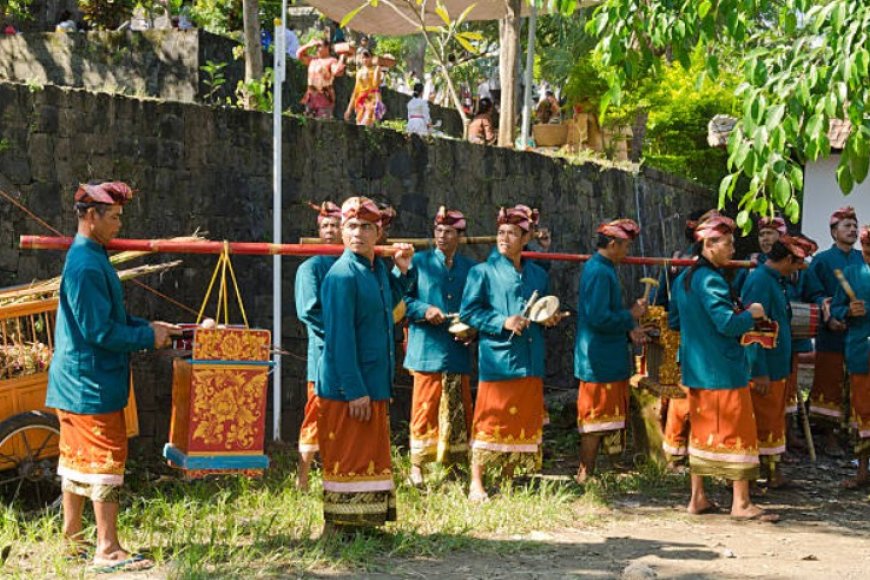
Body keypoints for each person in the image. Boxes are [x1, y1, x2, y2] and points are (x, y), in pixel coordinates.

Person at [45, 181, 180, 571]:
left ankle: (73, 539)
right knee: (104, 460)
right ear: (91, 216)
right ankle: (107, 548)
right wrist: (146, 337)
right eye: (115, 216)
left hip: (76, 380)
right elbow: (100, 332)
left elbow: (110, 320)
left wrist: (150, 325)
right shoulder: (87, 264)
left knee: (75, 461)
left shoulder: (90, 257)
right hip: (90, 383)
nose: (120, 224)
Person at [670, 213, 778, 521]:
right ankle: (741, 503)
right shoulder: (711, 279)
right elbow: (727, 324)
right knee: (738, 430)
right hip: (723, 370)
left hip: (696, 368)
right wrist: (753, 314)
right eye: (728, 244)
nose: (733, 250)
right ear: (708, 244)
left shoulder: (684, 279)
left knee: (702, 432)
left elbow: (675, 321)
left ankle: (698, 498)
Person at [316, 196, 413, 532]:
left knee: (367, 456)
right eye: (352, 226)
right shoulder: (341, 276)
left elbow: (391, 309)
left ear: (379, 232)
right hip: (350, 388)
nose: (358, 233)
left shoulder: (377, 272)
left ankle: (365, 525)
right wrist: (354, 389)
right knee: (348, 457)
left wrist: (403, 270)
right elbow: (339, 339)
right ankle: (339, 529)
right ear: (342, 231)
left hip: (373, 381)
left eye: (366, 227)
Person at [459, 205, 564, 502]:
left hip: (530, 357)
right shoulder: (483, 272)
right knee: (489, 419)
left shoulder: (537, 275)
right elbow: (469, 312)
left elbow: (541, 309)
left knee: (520, 422)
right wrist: (502, 321)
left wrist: (549, 318)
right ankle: (476, 483)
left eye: (512, 233)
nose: (504, 238)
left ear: (526, 237)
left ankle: (508, 478)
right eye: (501, 232)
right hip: (499, 358)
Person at [404, 207, 476, 485]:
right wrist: (424, 309)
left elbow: (477, 306)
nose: (442, 236)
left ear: (459, 235)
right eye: (438, 231)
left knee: (458, 408)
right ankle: (417, 467)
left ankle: (455, 465)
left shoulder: (470, 268)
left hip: (457, 348)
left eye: (449, 232)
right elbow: (403, 301)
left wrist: (473, 331)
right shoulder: (418, 263)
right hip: (426, 350)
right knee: (424, 409)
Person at [575, 219, 648, 482]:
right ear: (613, 244)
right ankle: (585, 472)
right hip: (598, 358)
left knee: (607, 415)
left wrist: (629, 325)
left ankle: (607, 467)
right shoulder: (599, 271)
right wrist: (631, 315)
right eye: (626, 245)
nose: (628, 251)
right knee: (595, 418)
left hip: (604, 354)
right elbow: (598, 317)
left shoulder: (603, 269)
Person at [741, 236, 811, 488]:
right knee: (762, 421)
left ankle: (773, 474)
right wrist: (758, 370)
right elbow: (753, 329)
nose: (798, 269)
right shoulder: (760, 281)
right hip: (765, 369)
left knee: (773, 420)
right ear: (788, 259)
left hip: (777, 366)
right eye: (797, 263)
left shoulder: (776, 281)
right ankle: (750, 480)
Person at [294, 201, 342, 492]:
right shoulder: (310, 267)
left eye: (334, 225)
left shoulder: (356, 263)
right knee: (316, 414)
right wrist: (343, 335)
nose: (329, 231)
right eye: (324, 226)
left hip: (354, 357)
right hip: (323, 354)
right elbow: (309, 310)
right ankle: (302, 475)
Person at [806, 206, 862, 456]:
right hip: (831, 331)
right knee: (830, 382)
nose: (852, 230)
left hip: (860, 331)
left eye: (854, 225)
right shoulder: (822, 260)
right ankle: (828, 437)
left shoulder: (864, 258)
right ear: (833, 232)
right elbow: (814, 294)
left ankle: (856, 436)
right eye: (846, 226)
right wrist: (830, 316)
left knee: (857, 383)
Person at [831, 225, 870, 489]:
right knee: (863, 411)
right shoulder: (851, 273)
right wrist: (847, 311)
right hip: (860, 350)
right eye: (866, 247)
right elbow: (835, 307)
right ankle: (862, 471)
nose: (868, 252)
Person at [731, 216, 787, 295]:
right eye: (761, 234)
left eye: (769, 233)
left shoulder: (793, 264)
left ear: (782, 237)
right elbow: (735, 293)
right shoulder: (751, 262)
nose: (765, 238)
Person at [297, 37, 347, 119]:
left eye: (319, 46)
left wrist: (342, 57)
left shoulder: (331, 60)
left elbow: (336, 72)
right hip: (311, 97)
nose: (317, 48)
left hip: (324, 98)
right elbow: (299, 54)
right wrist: (309, 45)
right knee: (308, 123)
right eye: (316, 46)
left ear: (327, 47)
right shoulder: (312, 60)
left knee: (322, 124)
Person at [345, 49, 385, 126]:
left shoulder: (376, 70)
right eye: (363, 57)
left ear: (372, 58)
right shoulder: (359, 72)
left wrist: (377, 70)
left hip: (372, 101)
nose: (365, 59)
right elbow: (356, 91)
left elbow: (376, 85)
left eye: (367, 57)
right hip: (360, 102)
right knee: (360, 125)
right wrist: (349, 109)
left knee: (367, 124)